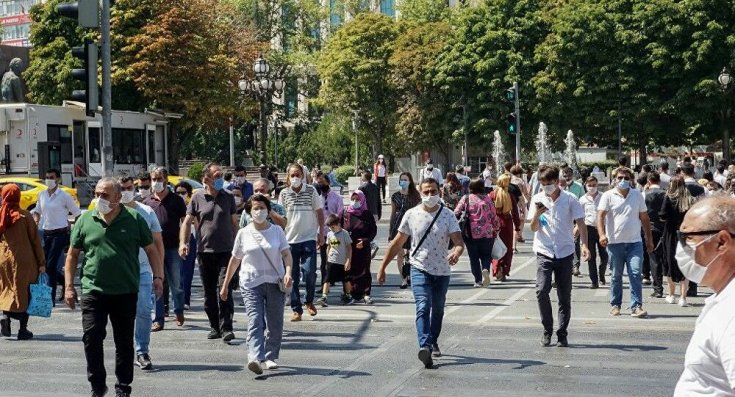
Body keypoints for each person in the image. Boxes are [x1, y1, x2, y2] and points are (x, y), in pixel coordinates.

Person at [64, 178, 163, 397]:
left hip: (125, 291)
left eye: (105, 195)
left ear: (118, 197)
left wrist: (158, 277)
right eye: (97, 194)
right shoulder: (85, 220)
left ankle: (123, 386)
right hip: (93, 291)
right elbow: (72, 255)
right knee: (91, 338)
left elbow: (151, 249)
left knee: (124, 342)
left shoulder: (135, 219)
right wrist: (69, 287)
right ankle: (97, 386)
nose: (99, 198)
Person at [377, 178, 464, 368]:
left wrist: (455, 253)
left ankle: (433, 340)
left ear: (439, 191)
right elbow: (397, 243)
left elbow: (458, 242)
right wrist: (382, 267)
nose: (430, 195)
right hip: (419, 268)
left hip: (441, 271)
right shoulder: (411, 214)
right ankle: (425, 346)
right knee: (423, 305)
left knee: (438, 309)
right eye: (426, 192)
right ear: (420, 192)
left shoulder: (448, 215)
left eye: (433, 191)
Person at [220, 194, 293, 375]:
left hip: (275, 283)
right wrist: (225, 285)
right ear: (249, 211)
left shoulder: (277, 231)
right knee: (255, 320)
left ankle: (269, 357)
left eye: (262, 208)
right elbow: (235, 260)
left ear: (268, 211)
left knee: (275, 322)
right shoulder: (243, 233)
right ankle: (254, 357)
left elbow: (286, 255)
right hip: (251, 282)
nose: (259, 211)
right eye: (255, 208)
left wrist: (288, 273)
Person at [673, 196, 735, 396]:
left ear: (722, 242)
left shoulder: (731, 313)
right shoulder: (723, 298)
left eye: (688, 237)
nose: (682, 247)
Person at [528, 165, 590, 347]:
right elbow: (533, 228)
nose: (546, 187)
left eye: (549, 183)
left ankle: (562, 333)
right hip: (544, 251)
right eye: (542, 183)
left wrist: (585, 245)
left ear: (557, 181)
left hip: (565, 252)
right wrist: (536, 216)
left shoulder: (570, 199)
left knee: (564, 296)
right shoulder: (537, 199)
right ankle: (547, 330)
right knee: (541, 290)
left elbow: (581, 223)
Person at [179, 162, 239, 341]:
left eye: (222, 175)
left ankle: (226, 327)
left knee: (224, 288)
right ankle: (214, 326)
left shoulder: (228, 197)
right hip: (205, 251)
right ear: (207, 178)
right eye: (217, 175)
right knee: (209, 293)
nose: (220, 178)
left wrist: (239, 247)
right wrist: (183, 243)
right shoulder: (197, 198)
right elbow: (187, 222)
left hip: (226, 251)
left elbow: (234, 223)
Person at [119, 177, 165, 371]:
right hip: (119, 272)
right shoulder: (110, 213)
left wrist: (159, 274)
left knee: (145, 311)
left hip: (143, 270)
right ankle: (124, 351)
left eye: (129, 188)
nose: (125, 192)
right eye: (121, 189)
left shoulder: (146, 212)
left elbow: (157, 244)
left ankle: (142, 350)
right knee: (121, 315)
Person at [597, 167, 655, 318]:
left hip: (635, 243)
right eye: (620, 177)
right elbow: (600, 216)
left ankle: (636, 306)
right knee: (616, 275)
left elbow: (645, 218)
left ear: (631, 180)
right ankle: (615, 305)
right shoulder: (608, 196)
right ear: (614, 179)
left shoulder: (637, 195)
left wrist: (649, 240)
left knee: (635, 273)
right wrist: (602, 234)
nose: (623, 181)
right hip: (614, 243)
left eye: (626, 178)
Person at [278, 163, 325, 322]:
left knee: (309, 272)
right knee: (293, 276)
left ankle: (309, 301)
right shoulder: (284, 194)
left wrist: (321, 233)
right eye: (292, 175)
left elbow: (319, 212)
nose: (295, 178)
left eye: (298, 174)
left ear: (303, 176)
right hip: (289, 240)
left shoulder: (311, 190)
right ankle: (296, 309)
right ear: (288, 177)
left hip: (309, 238)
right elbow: (280, 217)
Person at [0, 184, 45, 340]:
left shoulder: (0, 214)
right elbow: (35, 241)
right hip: (25, 259)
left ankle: (5, 317)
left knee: (7, 288)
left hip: (4, 258)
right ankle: (22, 329)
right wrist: (41, 262)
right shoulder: (25, 216)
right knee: (25, 290)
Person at [144, 166, 187, 331]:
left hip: (172, 248)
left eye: (159, 179)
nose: (156, 183)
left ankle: (179, 309)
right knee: (157, 282)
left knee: (176, 283)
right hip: (153, 250)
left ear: (166, 180)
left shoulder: (176, 200)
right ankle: (158, 319)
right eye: (154, 179)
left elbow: (185, 222)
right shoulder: (147, 202)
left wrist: (184, 242)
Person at [30, 168, 81, 304]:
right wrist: (35, 221)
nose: (49, 180)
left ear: (58, 179)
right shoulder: (42, 195)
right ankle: (64, 282)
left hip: (61, 233)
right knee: (45, 264)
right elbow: (37, 211)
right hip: (47, 233)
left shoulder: (64, 196)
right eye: (47, 177)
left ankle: (50, 298)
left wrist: (76, 231)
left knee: (51, 266)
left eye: (51, 177)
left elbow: (77, 214)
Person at [454, 178, 500, 287]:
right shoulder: (488, 199)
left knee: (473, 257)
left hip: (470, 233)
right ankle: (485, 268)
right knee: (486, 255)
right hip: (487, 232)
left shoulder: (466, 198)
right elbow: (494, 216)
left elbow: (456, 212)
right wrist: (497, 228)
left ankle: (478, 280)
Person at [659, 176, 695, 307]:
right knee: (685, 264)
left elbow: (662, 215)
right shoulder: (689, 198)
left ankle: (671, 294)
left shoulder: (669, 197)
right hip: (686, 234)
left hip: (670, 234)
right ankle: (683, 297)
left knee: (669, 262)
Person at [342, 190, 377, 304]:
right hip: (349, 246)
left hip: (362, 246)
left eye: (357, 199)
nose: (355, 202)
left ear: (362, 200)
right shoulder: (346, 212)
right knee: (349, 270)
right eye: (353, 199)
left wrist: (365, 240)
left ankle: (366, 293)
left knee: (364, 270)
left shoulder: (366, 214)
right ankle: (350, 293)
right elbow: (340, 227)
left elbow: (373, 231)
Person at [315, 172, 344, 307]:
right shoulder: (317, 198)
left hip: (334, 234)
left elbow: (340, 213)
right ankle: (324, 286)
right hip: (323, 234)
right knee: (324, 261)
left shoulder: (336, 197)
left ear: (328, 182)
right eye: (318, 182)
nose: (320, 185)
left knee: (337, 259)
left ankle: (344, 288)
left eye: (322, 182)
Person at [389, 172, 421, 289]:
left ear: (410, 181)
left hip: (412, 227)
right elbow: (393, 214)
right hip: (398, 227)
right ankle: (402, 278)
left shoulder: (415, 195)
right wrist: (390, 232)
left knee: (411, 254)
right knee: (400, 254)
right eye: (401, 179)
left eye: (405, 179)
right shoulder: (395, 196)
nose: (403, 181)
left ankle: (411, 276)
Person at [578, 176, 608, 288]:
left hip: (602, 229)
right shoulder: (582, 199)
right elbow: (580, 217)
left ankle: (602, 274)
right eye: (589, 185)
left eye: (594, 185)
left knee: (604, 255)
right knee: (591, 256)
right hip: (588, 229)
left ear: (597, 185)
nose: (592, 187)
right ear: (585, 185)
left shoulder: (603, 197)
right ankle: (594, 281)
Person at [490, 174, 520, 281]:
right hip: (507, 223)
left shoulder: (492, 194)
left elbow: (488, 211)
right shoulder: (510, 195)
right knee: (507, 248)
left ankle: (497, 269)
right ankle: (504, 268)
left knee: (495, 247)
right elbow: (515, 213)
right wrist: (517, 226)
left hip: (495, 223)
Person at [318, 214, 354, 305]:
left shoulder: (344, 233)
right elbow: (328, 246)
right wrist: (327, 257)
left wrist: (348, 260)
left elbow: (349, 248)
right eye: (330, 228)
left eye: (333, 227)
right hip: (332, 261)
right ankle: (324, 296)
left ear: (338, 224)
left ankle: (348, 295)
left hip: (342, 262)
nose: (332, 229)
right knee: (327, 279)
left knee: (346, 279)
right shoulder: (330, 234)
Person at [644, 172, 667, 298]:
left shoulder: (644, 194)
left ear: (649, 181)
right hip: (664, 227)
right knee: (665, 255)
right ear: (659, 181)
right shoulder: (666, 194)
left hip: (650, 228)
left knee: (653, 257)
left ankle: (658, 288)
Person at [175, 181, 197, 310]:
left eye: (183, 193)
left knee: (187, 272)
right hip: (174, 240)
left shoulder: (192, 206)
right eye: (178, 192)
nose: (180, 195)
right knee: (175, 272)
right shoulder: (172, 205)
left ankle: (185, 299)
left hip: (189, 240)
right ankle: (175, 300)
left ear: (188, 194)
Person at [510, 165, 530, 245]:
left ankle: (516, 236)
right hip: (520, 202)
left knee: (513, 220)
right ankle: (519, 235)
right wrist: (528, 199)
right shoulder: (521, 181)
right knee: (521, 220)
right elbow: (525, 192)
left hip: (511, 202)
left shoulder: (510, 180)